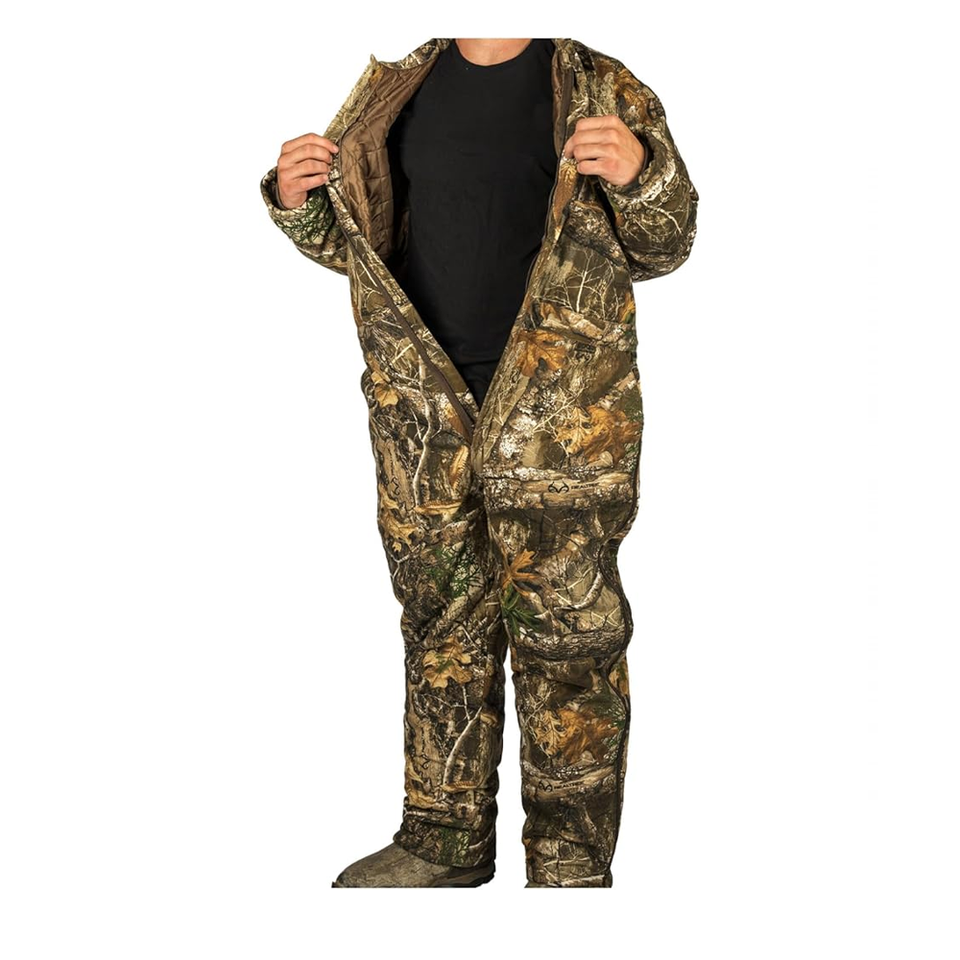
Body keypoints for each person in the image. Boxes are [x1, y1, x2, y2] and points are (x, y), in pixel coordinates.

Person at [260, 37, 698, 887]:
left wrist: (643, 174)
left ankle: (569, 869)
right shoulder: (401, 85)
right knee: (440, 629)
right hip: (424, 414)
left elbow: (666, 243)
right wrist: (295, 200)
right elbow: (358, 244)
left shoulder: (596, 82)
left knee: (568, 642)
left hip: (562, 420)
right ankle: (442, 842)